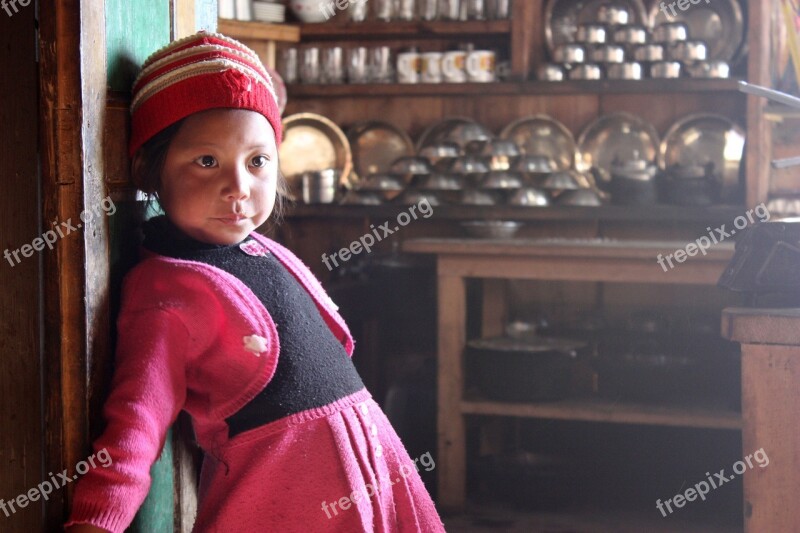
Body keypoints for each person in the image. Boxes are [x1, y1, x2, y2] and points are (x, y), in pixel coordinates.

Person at [64, 32, 445, 533]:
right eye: (206, 161)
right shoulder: (165, 292)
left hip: (371, 477)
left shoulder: (266, 252)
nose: (238, 189)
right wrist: (95, 523)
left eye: (258, 161)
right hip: (281, 505)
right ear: (149, 172)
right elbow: (134, 428)